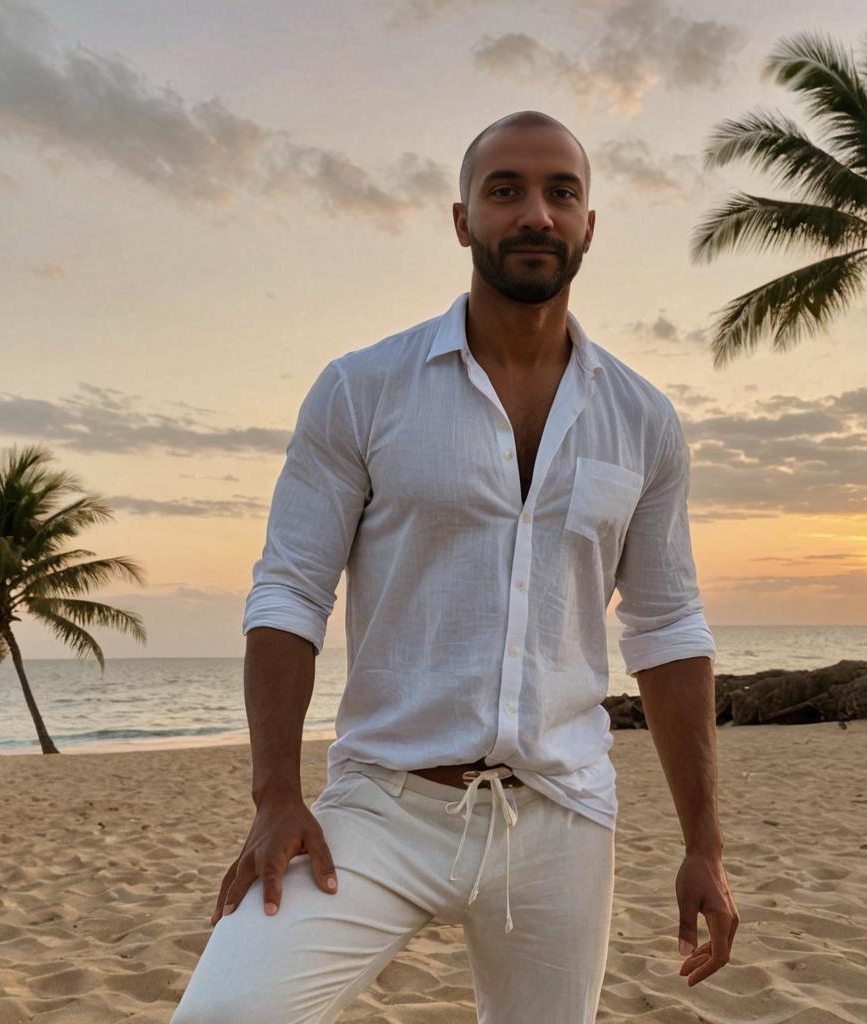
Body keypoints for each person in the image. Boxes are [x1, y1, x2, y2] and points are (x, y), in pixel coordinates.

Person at [171, 109, 739, 1024]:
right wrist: (275, 795)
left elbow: (667, 626)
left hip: (561, 815)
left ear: (589, 223)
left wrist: (703, 846)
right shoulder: (363, 389)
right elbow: (290, 590)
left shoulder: (643, 419)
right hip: (382, 806)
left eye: (562, 192)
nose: (535, 214)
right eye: (505, 190)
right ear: (461, 218)